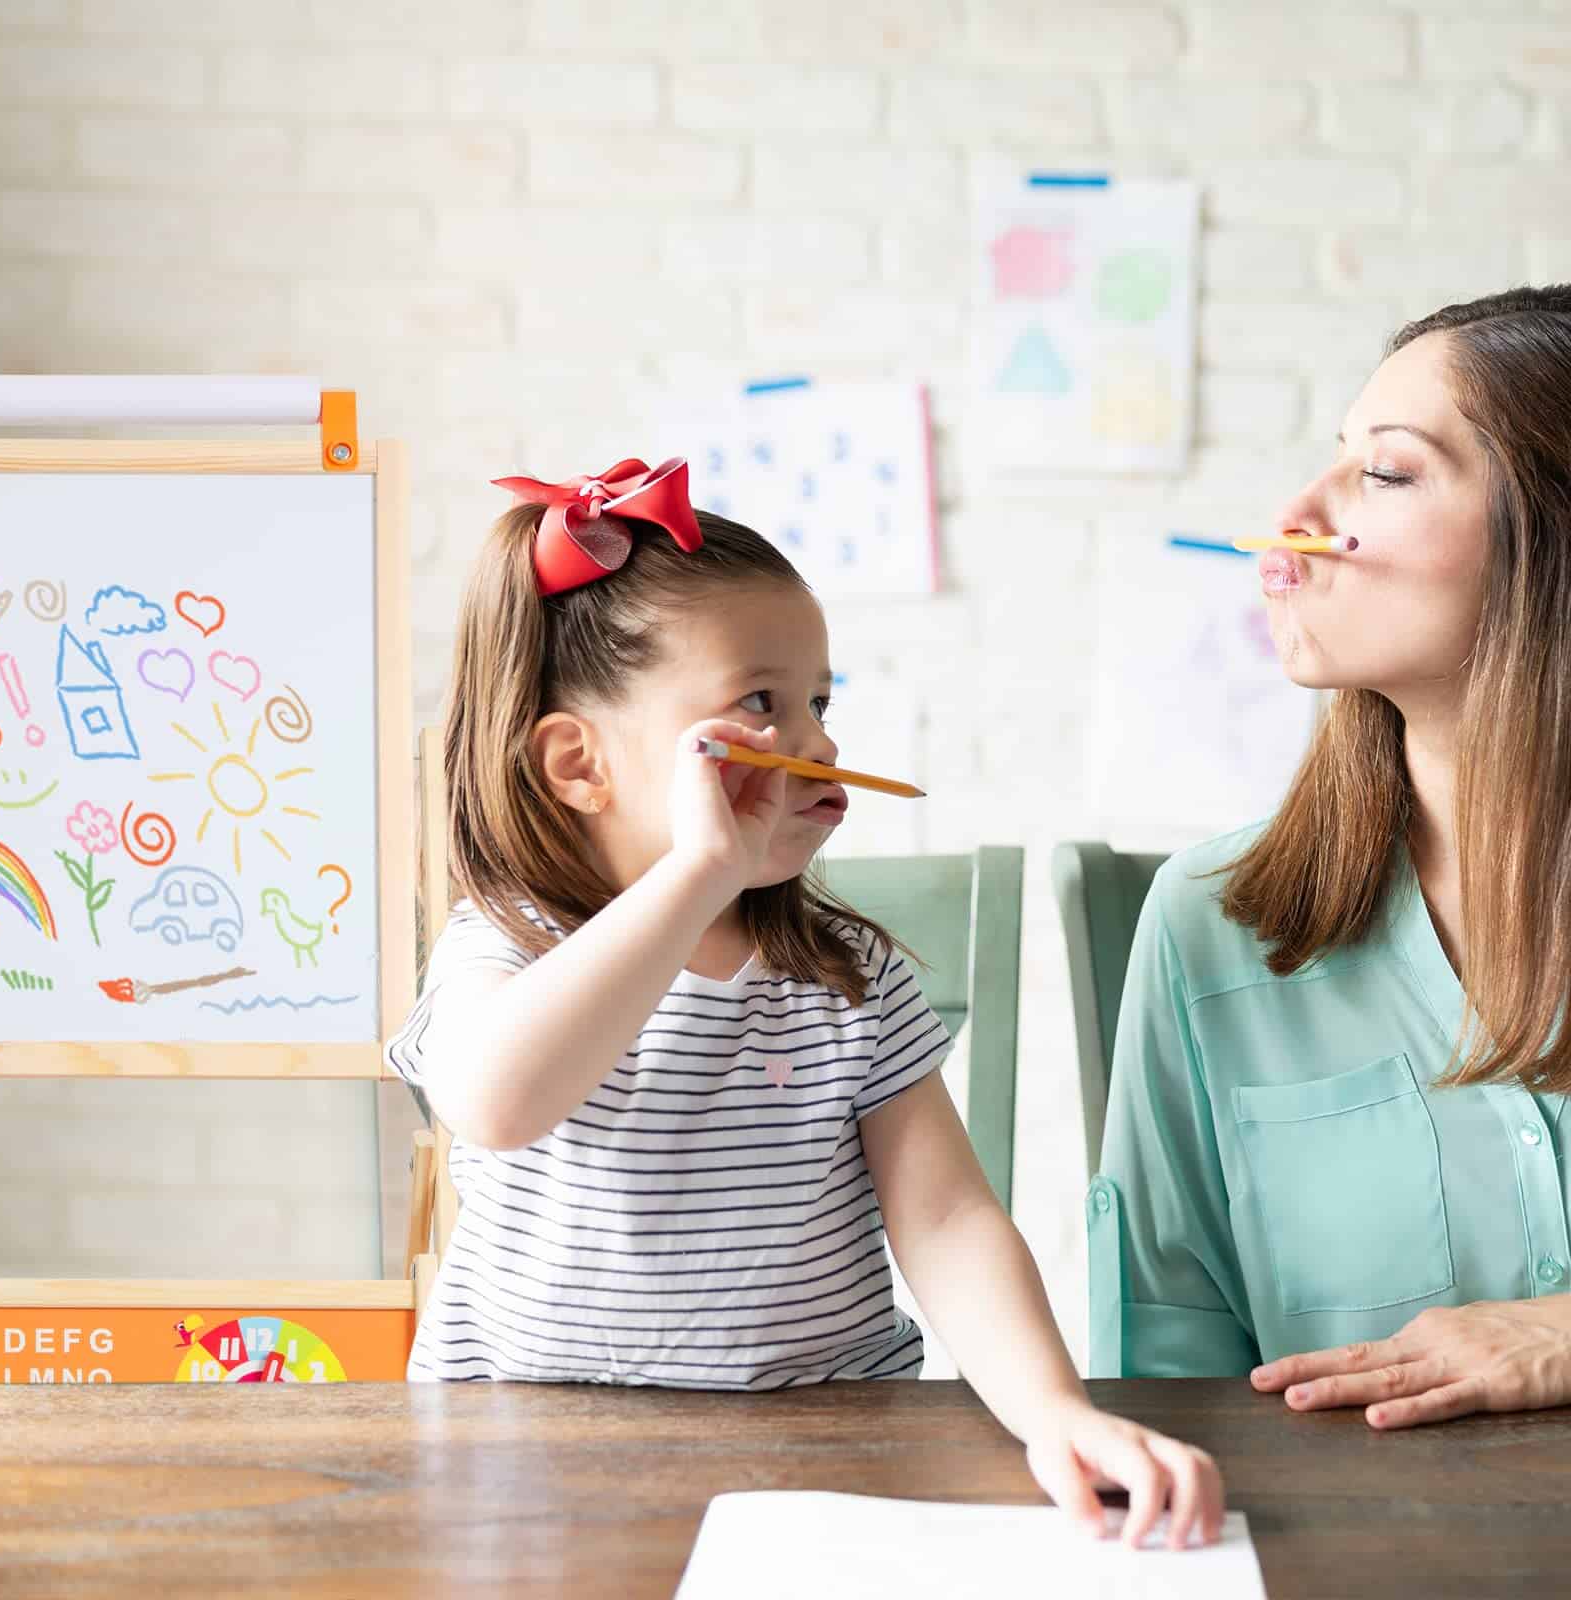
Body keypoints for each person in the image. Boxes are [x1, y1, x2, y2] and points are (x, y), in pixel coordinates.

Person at [390, 457, 1222, 1546]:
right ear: (576, 764)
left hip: (829, 1449)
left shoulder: (847, 974)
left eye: (819, 702)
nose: (820, 742)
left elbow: (947, 1218)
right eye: (760, 704)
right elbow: (498, 1101)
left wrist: (1053, 1413)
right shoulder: (505, 942)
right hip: (530, 1457)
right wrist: (698, 873)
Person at [1091, 286, 1571, 1432]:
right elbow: (1166, 1353)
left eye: (1387, 473)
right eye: (1332, 461)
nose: (1296, 515)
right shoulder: (1211, 921)